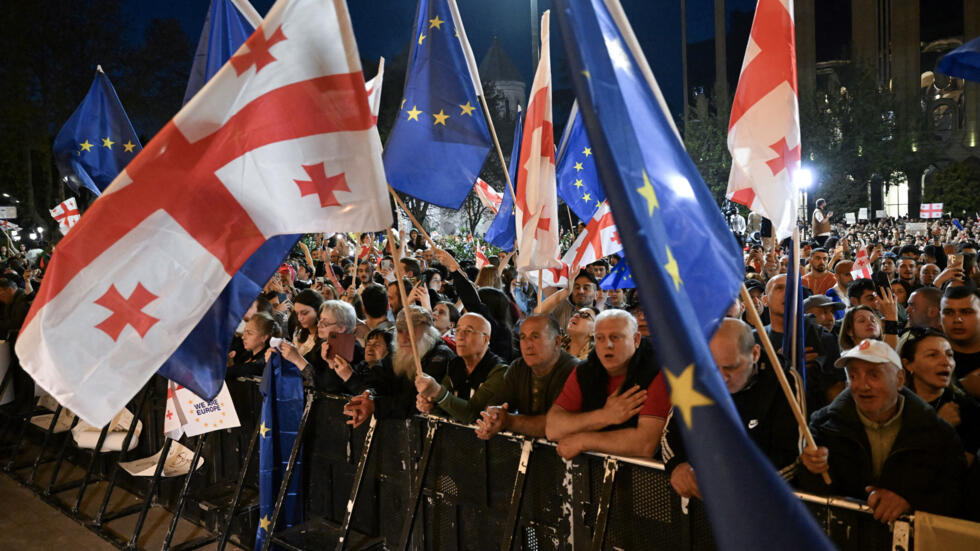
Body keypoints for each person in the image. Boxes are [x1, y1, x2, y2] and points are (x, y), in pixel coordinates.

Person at [798, 339, 966, 522]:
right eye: (853, 376)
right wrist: (811, 467)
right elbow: (810, 496)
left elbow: (956, 495)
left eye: (874, 375)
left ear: (899, 379)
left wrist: (910, 503)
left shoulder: (938, 433)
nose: (862, 386)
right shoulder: (823, 425)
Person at [664, 319, 803, 499]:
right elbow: (671, 432)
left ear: (755, 354)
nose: (722, 378)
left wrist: (741, 486)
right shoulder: (696, 375)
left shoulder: (783, 381)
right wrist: (677, 465)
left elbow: (792, 455)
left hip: (765, 500)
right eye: (714, 368)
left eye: (731, 367)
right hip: (701, 498)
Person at [545, 310, 670, 459]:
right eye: (600, 338)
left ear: (636, 340)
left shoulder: (658, 370)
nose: (607, 345)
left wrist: (583, 441)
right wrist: (605, 416)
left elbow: (644, 445)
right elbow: (553, 429)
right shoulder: (585, 370)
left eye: (616, 337)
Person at [343, 306, 455, 426]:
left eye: (412, 331)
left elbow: (415, 402)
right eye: (400, 331)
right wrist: (368, 394)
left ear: (428, 332)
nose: (404, 338)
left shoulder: (440, 356)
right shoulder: (397, 353)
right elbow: (376, 377)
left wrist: (377, 404)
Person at [474, 315, 578, 439]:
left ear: (556, 342)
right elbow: (497, 404)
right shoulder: (519, 367)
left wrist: (508, 421)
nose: (527, 345)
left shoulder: (575, 370)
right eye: (523, 337)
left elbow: (557, 425)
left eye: (535, 337)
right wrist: (493, 418)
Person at [900, 328, 980, 464]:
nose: (946, 362)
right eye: (932, 355)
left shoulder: (969, 410)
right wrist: (938, 426)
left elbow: (958, 470)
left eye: (949, 355)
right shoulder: (894, 406)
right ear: (908, 364)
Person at [414, 313, 508, 423]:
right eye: (457, 330)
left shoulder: (499, 371)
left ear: (485, 339)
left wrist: (436, 391)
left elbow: (474, 416)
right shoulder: (455, 365)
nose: (460, 336)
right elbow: (444, 408)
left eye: (468, 331)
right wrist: (429, 405)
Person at [941, 286, 980, 398]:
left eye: (966, 312)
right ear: (940, 316)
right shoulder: (928, 354)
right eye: (949, 312)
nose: (957, 319)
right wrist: (962, 387)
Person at [228, 312, 278, 378]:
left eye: (249, 333)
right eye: (245, 331)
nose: (243, 337)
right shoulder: (246, 354)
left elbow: (236, 371)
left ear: (264, 337)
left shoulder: (265, 360)